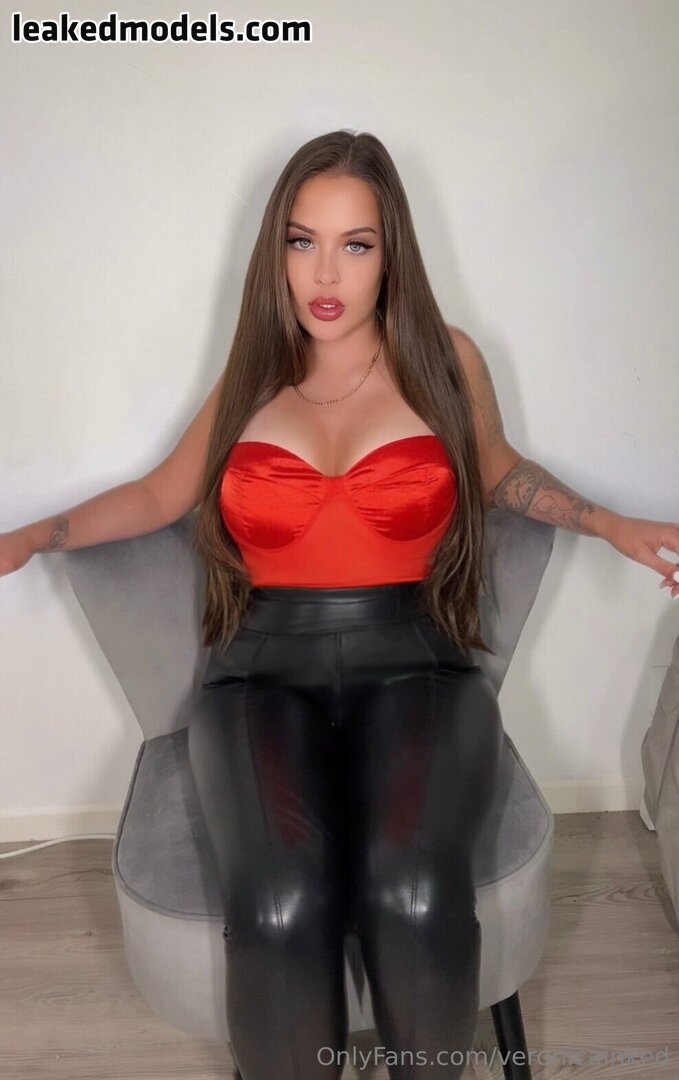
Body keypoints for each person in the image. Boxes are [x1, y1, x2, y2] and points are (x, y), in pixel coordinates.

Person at [2, 130, 679, 1080]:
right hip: (257, 674)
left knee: (413, 891)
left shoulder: (444, 360)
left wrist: (607, 522)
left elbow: (497, 469)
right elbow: (158, 495)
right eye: (301, 240)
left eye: (355, 244)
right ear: (274, 251)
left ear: (390, 254)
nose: (325, 273)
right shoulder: (250, 374)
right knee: (279, 905)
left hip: (418, 663)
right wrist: (34, 535)